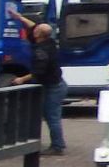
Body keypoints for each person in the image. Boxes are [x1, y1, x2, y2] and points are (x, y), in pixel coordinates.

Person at [7, 10, 68, 153]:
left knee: (52, 117)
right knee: (50, 115)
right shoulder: (49, 41)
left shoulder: (42, 51)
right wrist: (19, 17)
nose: (33, 30)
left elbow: (38, 72)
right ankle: (56, 144)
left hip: (53, 87)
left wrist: (21, 79)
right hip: (57, 84)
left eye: (36, 30)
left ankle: (57, 146)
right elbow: (34, 26)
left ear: (38, 35)